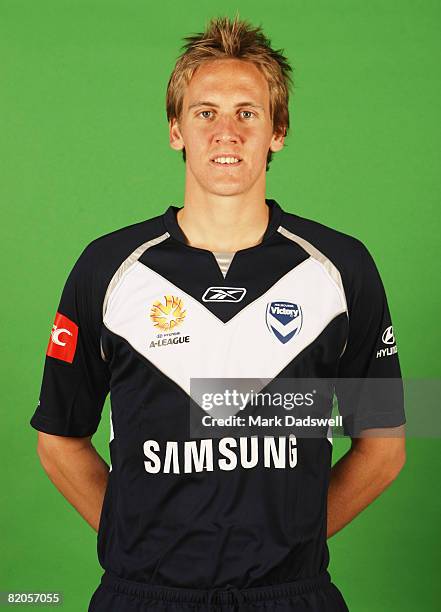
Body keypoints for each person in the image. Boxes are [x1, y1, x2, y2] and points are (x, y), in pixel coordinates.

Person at [30, 14, 406, 612]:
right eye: (205, 112)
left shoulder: (344, 268)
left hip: (293, 596)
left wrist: (289, 542)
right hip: (141, 596)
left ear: (277, 131)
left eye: (246, 112)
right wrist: (139, 540)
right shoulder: (108, 267)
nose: (226, 131)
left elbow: (384, 447)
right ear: (176, 128)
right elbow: (58, 438)